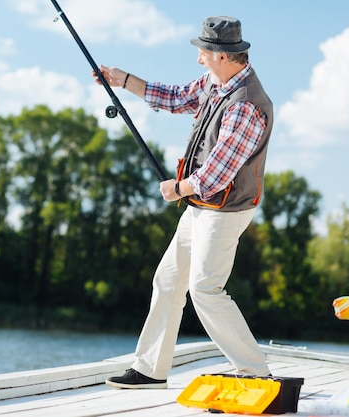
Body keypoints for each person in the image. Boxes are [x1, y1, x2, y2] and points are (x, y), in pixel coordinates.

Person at [94, 16, 273, 389]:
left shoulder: (245, 105)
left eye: (203, 53)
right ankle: (149, 369)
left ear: (223, 56)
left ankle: (255, 372)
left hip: (225, 210)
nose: (199, 60)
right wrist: (122, 80)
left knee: (205, 289)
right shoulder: (216, 83)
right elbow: (175, 99)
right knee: (169, 281)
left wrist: (176, 189)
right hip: (201, 207)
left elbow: (216, 175)